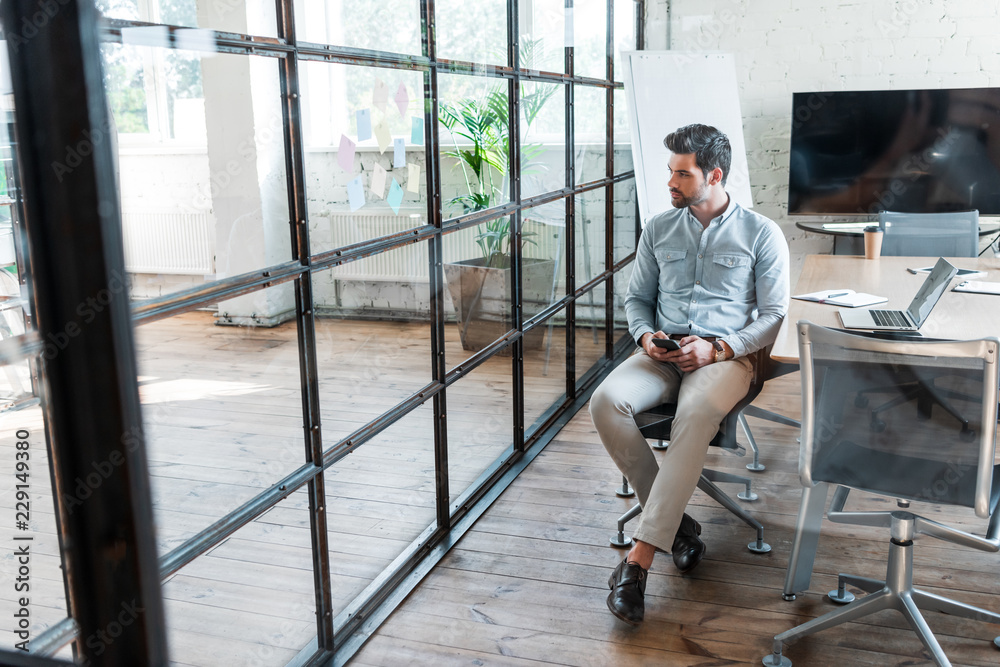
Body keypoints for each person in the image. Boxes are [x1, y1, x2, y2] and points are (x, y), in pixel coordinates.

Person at [589, 123, 789, 625]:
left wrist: (720, 347)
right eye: (670, 172)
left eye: (683, 173)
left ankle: (637, 564)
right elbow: (637, 299)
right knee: (605, 402)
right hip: (664, 351)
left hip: (726, 358)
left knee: (695, 414)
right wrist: (644, 337)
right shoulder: (658, 227)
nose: (671, 183)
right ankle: (676, 527)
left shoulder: (761, 233)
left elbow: (774, 316)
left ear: (715, 175)